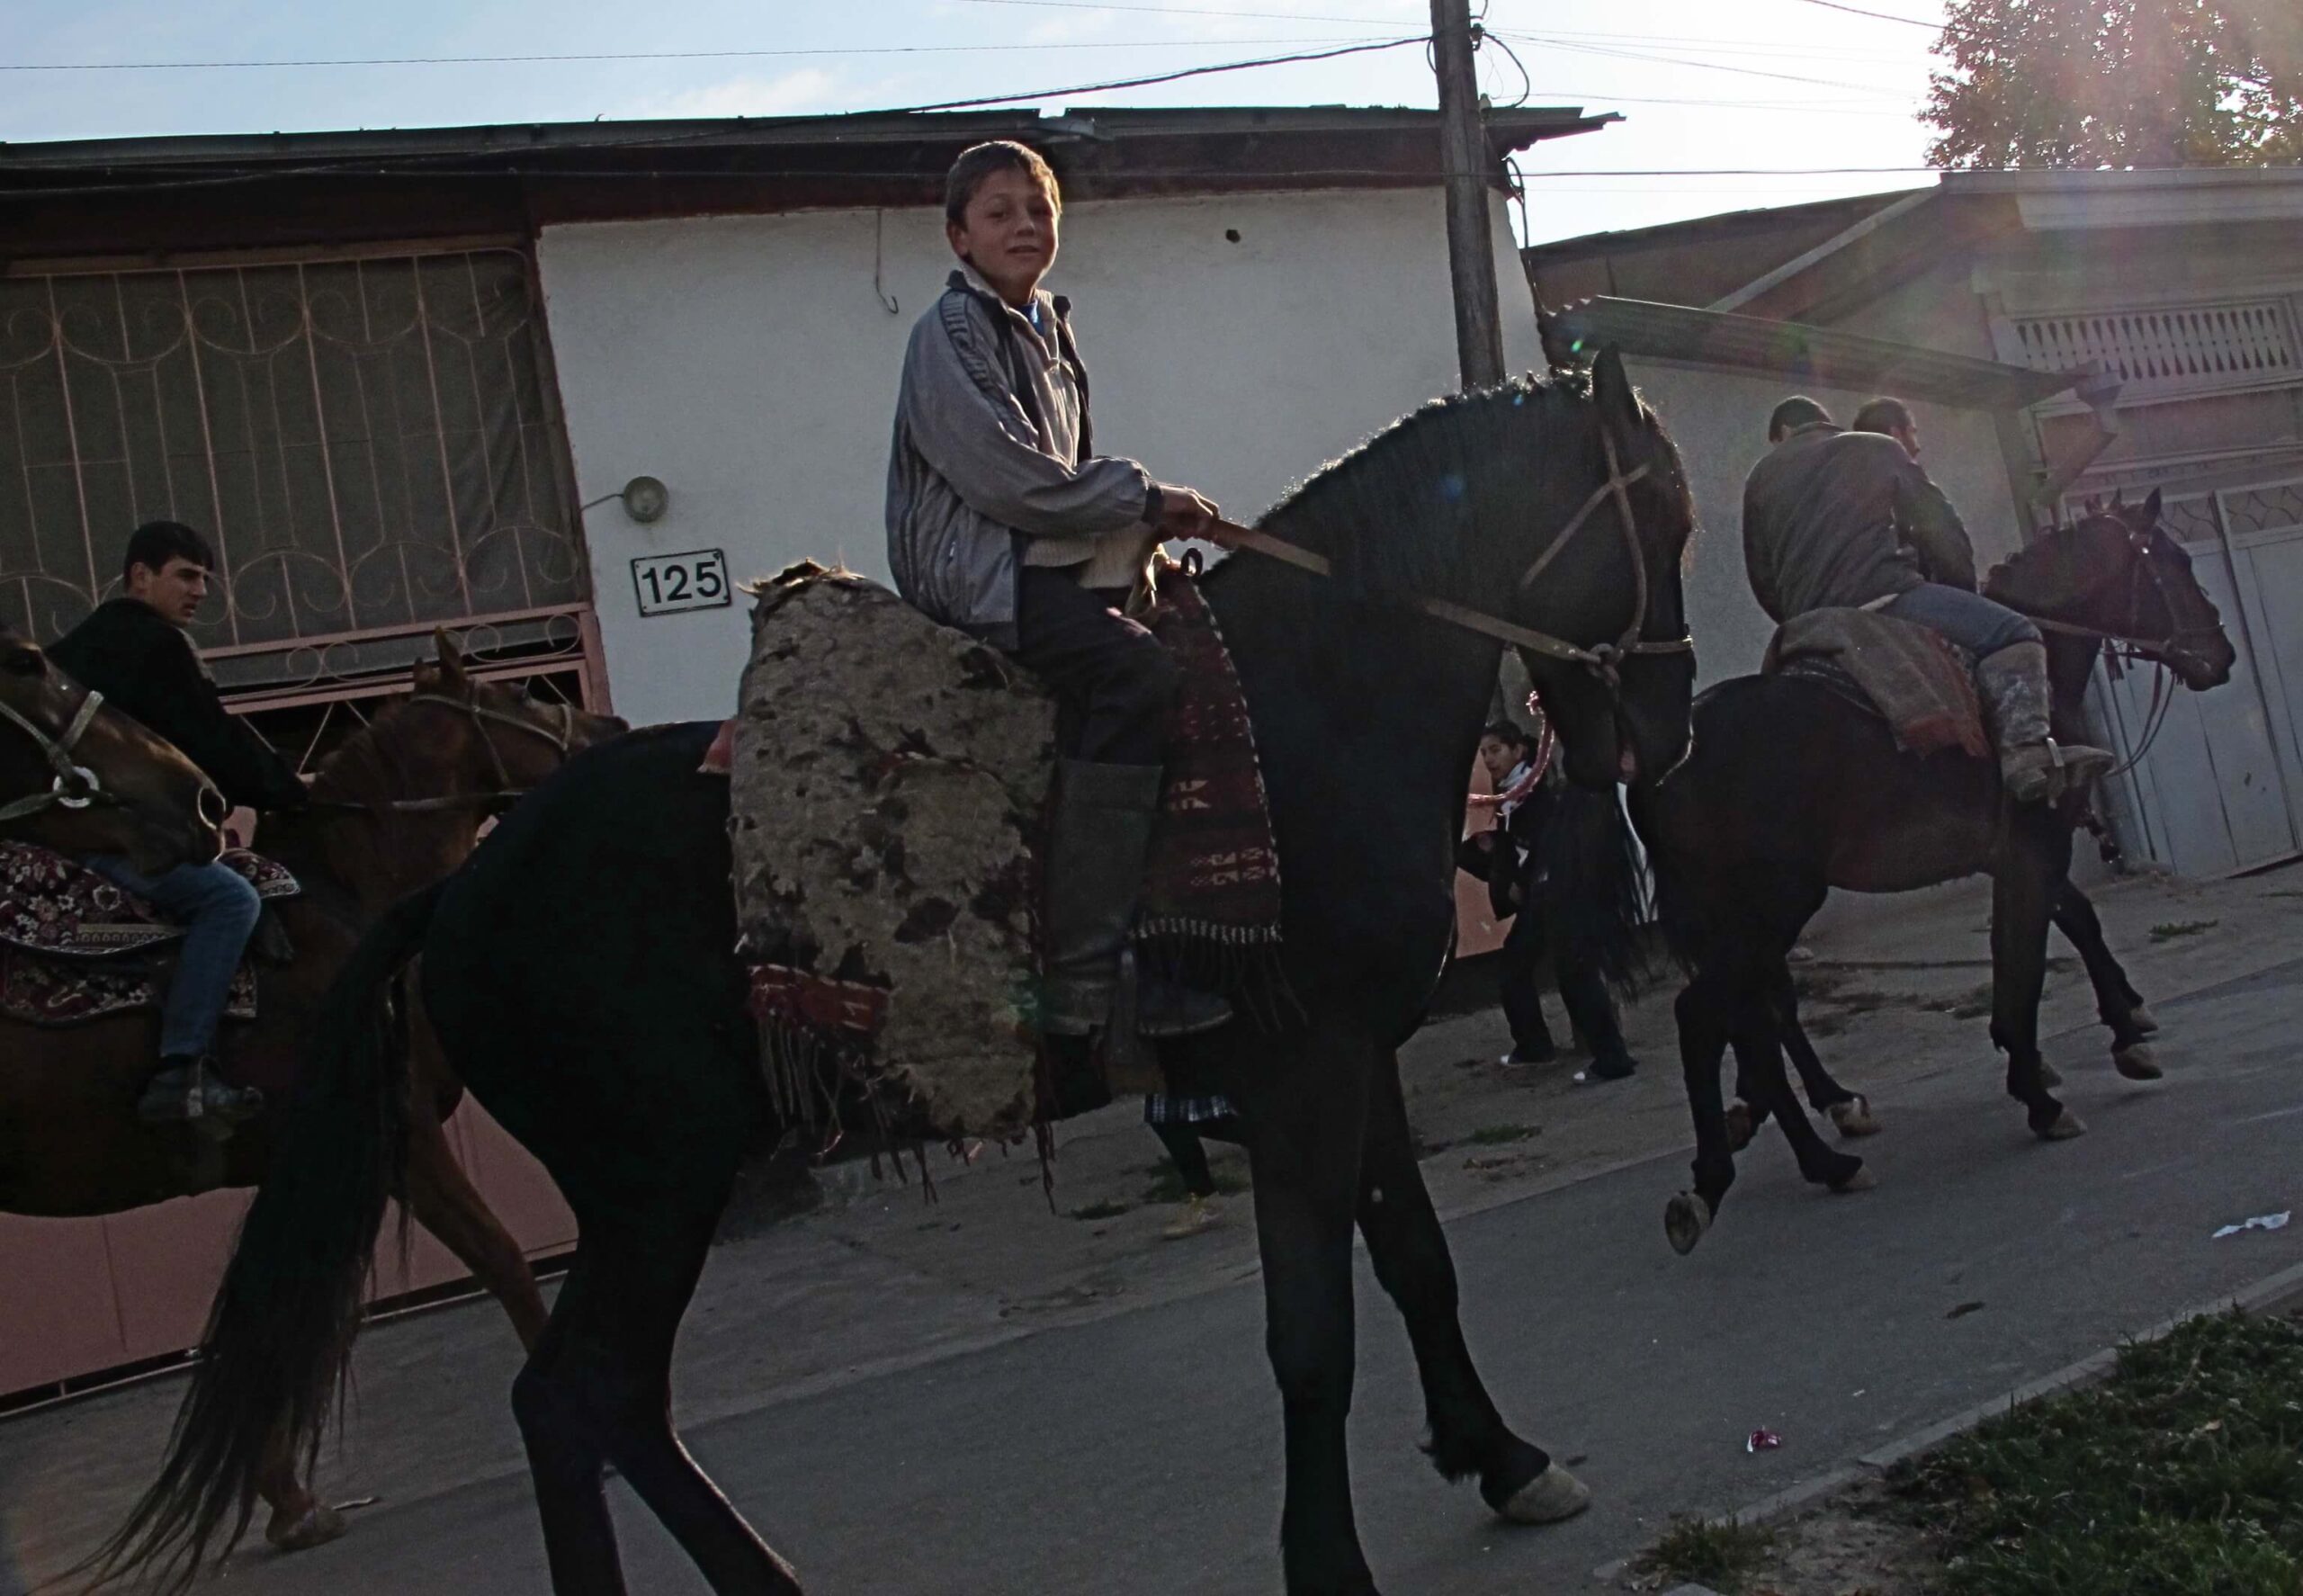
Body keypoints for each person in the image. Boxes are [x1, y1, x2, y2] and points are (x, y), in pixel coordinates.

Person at [885, 139, 1235, 1039]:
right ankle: (1088, 971)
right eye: (998, 212)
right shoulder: (950, 333)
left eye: (1038, 210)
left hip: (1043, 560)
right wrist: (1145, 497)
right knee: (1137, 677)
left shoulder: (1046, 325)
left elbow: (1058, 488)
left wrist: (1140, 534)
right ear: (958, 237)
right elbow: (1012, 480)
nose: (1024, 226)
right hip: (981, 569)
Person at [48, 520, 307, 1130]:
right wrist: (286, 791)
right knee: (230, 901)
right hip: (107, 841)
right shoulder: (151, 644)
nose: (200, 593)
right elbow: (207, 737)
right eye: (187, 576)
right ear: (141, 575)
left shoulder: (77, 648)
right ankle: (183, 1069)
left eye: (205, 581)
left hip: (63, 833)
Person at [1743, 396, 2111, 803]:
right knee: (2014, 632)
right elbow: (1943, 532)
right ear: (1825, 424)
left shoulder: (1762, 475)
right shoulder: (1876, 447)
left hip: (1806, 623)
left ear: (1783, 435)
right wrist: (1957, 593)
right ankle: (2026, 751)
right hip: (1887, 597)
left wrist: (1801, 614)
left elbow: (1762, 578)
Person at [1458, 722, 1637, 1080]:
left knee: (1573, 972)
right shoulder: (1513, 792)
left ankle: (1609, 1056)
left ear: (1517, 751)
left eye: (1495, 750)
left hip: (1555, 892)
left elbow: (1545, 843)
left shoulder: (1536, 790)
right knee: (1524, 968)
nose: (1489, 759)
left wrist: (1520, 881)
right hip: (1543, 894)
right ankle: (1539, 1046)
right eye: (1484, 753)